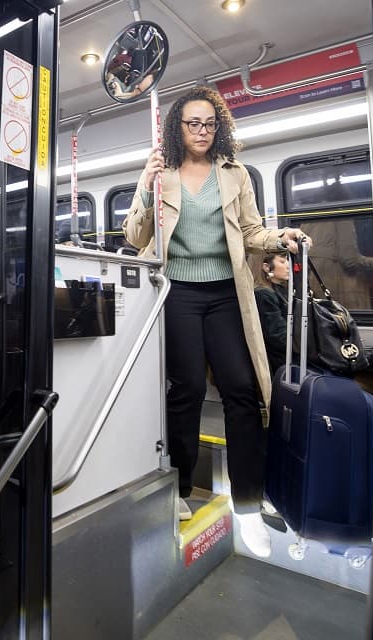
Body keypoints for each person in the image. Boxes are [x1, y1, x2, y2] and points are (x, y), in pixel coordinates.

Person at [122, 85, 308, 558]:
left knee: (242, 390)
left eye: (209, 123)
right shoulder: (160, 175)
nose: (202, 132)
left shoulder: (235, 174)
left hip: (226, 292)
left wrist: (278, 237)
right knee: (183, 390)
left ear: (218, 127)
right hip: (178, 292)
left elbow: (250, 231)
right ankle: (180, 488)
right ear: (177, 128)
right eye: (192, 124)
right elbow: (134, 235)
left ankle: (247, 503)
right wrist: (145, 186)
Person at [254, 250, 373, 441]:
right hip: (306, 369)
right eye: (283, 261)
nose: (289, 266)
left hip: (315, 361)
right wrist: (326, 347)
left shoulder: (288, 290)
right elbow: (282, 340)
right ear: (266, 267)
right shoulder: (264, 296)